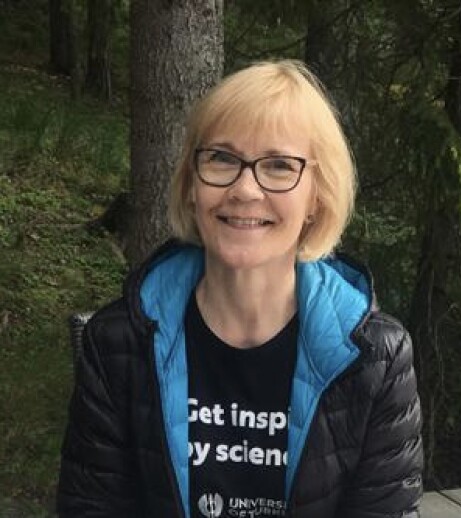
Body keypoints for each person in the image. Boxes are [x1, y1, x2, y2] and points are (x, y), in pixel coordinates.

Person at [57, 59, 423, 518]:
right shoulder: (118, 343)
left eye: (279, 165)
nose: (245, 189)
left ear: (317, 196)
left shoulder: (377, 358)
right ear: (191, 184)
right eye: (222, 158)